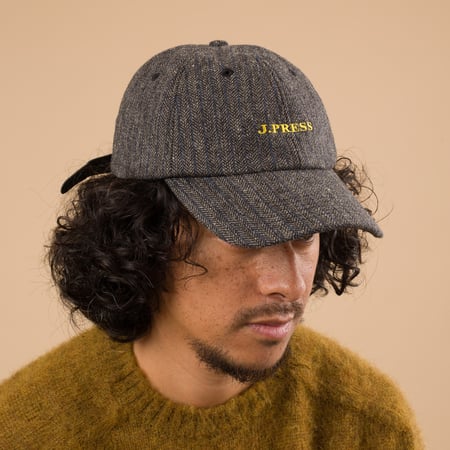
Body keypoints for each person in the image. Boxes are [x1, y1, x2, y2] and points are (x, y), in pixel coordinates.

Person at [0, 41, 423, 449]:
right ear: (142, 235)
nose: (290, 286)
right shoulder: (24, 431)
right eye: (245, 233)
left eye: (306, 234)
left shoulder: (368, 426)